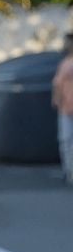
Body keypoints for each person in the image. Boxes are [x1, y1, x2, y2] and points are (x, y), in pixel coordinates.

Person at [52, 33, 73, 186]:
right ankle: (69, 171)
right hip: (66, 107)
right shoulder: (65, 63)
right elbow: (57, 84)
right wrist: (57, 99)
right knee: (66, 141)